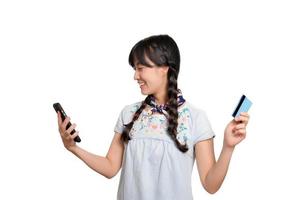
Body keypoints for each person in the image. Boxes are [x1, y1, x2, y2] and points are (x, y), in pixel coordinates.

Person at [57, 34, 250, 200]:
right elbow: (110, 167)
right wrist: (73, 147)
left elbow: (210, 185)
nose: (135, 76)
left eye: (140, 68)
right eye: (135, 68)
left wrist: (228, 147)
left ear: (164, 67)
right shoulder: (128, 113)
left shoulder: (195, 118)